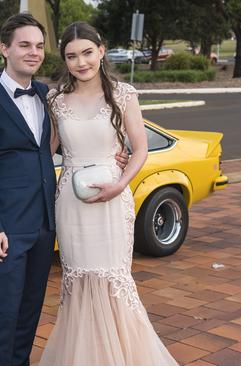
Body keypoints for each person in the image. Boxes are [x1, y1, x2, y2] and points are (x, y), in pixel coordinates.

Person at [0, 14, 129, 366]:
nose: (33, 53)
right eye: (24, 45)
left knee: (30, 314)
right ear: (5, 49)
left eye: (39, 46)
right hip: (7, 229)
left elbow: (61, 142)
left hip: (46, 224)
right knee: (4, 313)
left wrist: (114, 151)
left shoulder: (48, 96)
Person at [39, 22, 179, 365]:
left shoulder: (124, 94)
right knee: (77, 278)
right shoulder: (55, 99)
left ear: (102, 50)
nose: (80, 62)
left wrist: (121, 183)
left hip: (114, 202)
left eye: (87, 52)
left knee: (112, 278)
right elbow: (47, 150)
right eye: (71, 56)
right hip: (71, 203)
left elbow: (141, 149)